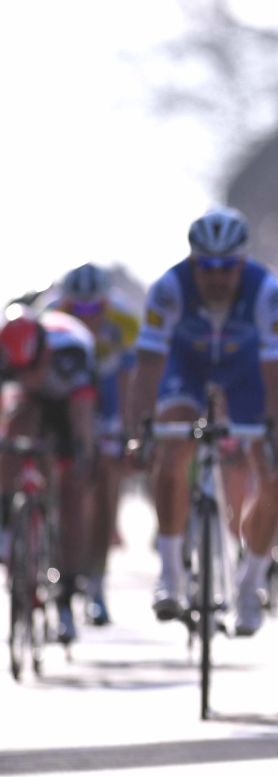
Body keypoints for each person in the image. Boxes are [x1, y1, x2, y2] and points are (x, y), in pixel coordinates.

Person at [126, 206, 278, 637]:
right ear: (192, 262)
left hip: (246, 373)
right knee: (173, 450)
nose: (217, 277)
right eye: (207, 268)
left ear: (242, 262)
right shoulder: (168, 289)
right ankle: (170, 575)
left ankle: (250, 583)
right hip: (187, 368)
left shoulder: (266, 292)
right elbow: (148, 364)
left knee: (275, 474)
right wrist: (140, 428)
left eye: (227, 268)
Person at [40, 263, 140, 626]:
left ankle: (97, 580)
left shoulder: (124, 321)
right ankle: (47, 548)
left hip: (108, 398)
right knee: (63, 479)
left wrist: (128, 430)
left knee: (106, 484)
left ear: (106, 303)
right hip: (66, 398)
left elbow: (130, 379)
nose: (86, 316)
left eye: (93, 308)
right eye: (77, 308)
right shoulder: (49, 316)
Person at [0, 306, 98, 644]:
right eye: (19, 371)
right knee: (15, 431)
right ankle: (8, 524)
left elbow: (82, 420)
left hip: (71, 401)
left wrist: (81, 457)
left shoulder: (70, 356)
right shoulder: (10, 359)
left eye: (31, 369)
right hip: (31, 403)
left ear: (43, 354)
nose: (27, 376)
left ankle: (67, 592)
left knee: (74, 488)